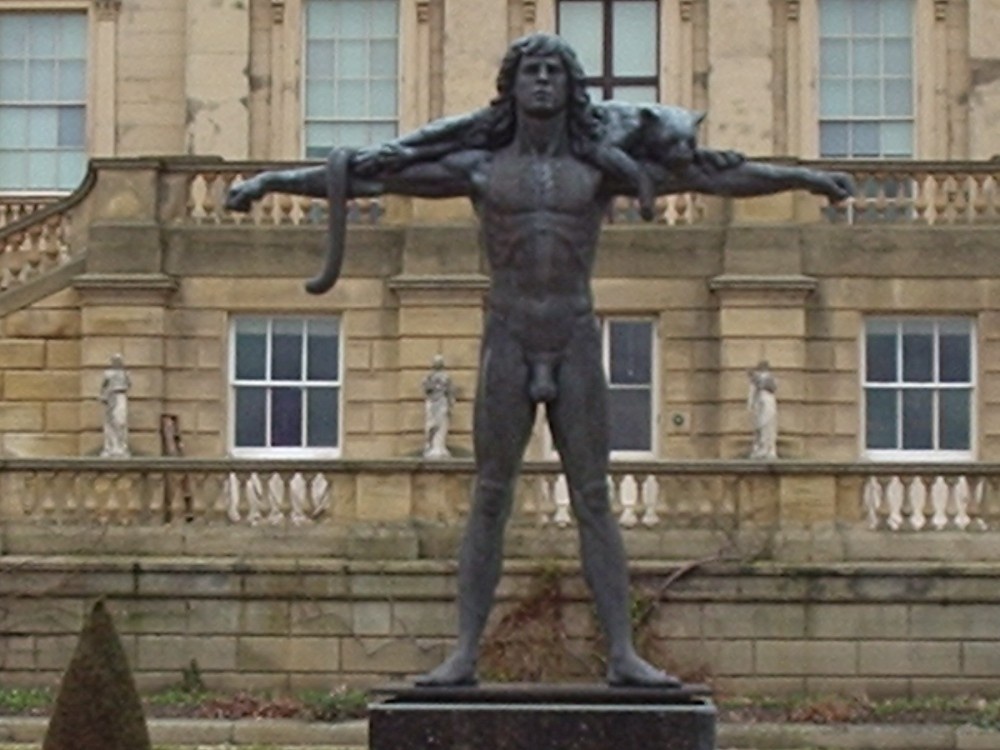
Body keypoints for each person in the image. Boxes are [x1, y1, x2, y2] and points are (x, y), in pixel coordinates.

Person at [226, 33, 852, 686]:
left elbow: (717, 172)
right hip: (509, 339)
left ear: (571, 87)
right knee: (489, 498)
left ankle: (622, 655)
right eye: (533, 71)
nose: (544, 80)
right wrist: (270, 181)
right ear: (513, 86)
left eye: (555, 70)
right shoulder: (478, 168)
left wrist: (805, 179)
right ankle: (464, 654)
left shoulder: (603, 168)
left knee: (593, 499)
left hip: (575, 337)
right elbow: (368, 172)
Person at [423, 355, 455, 459]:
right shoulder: (429, 377)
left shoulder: (446, 377)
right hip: (433, 403)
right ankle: (431, 446)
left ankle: (439, 447)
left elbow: (450, 392)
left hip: (442, 402)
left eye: (439, 362)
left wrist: (450, 403)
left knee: (442, 425)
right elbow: (426, 389)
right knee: (432, 424)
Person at [100, 354, 131, 458]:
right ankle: (111, 446)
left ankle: (121, 446)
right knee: (110, 422)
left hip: (121, 396)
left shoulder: (125, 373)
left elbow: (129, 384)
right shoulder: (108, 373)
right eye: (115, 360)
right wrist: (104, 396)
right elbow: (103, 386)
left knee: (121, 422)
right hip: (111, 396)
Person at [748, 360, 778, 459]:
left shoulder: (769, 379)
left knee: (768, 425)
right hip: (761, 404)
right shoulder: (756, 380)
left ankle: (768, 448)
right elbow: (752, 394)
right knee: (761, 426)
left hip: (768, 404)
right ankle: (761, 447)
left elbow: (773, 387)